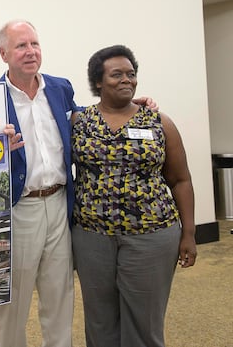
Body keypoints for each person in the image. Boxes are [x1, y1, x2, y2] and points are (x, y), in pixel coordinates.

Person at [71, 44, 196, 347]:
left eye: (131, 74)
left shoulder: (158, 122)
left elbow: (181, 180)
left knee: (145, 323)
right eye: (117, 75)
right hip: (92, 237)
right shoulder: (78, 122)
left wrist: (189, 234)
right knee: (100, 321)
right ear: (98, 82)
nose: (127, 80)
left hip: (151, 236)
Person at [0, 20, 77, 347]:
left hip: (59, 204)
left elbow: (81, 119)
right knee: (13, 302)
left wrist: (129, 108)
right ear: (3, 53)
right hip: (20, 207)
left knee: (60, 294)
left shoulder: (60, 88)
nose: (31, 52)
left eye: (35, 44)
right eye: (21, 46)